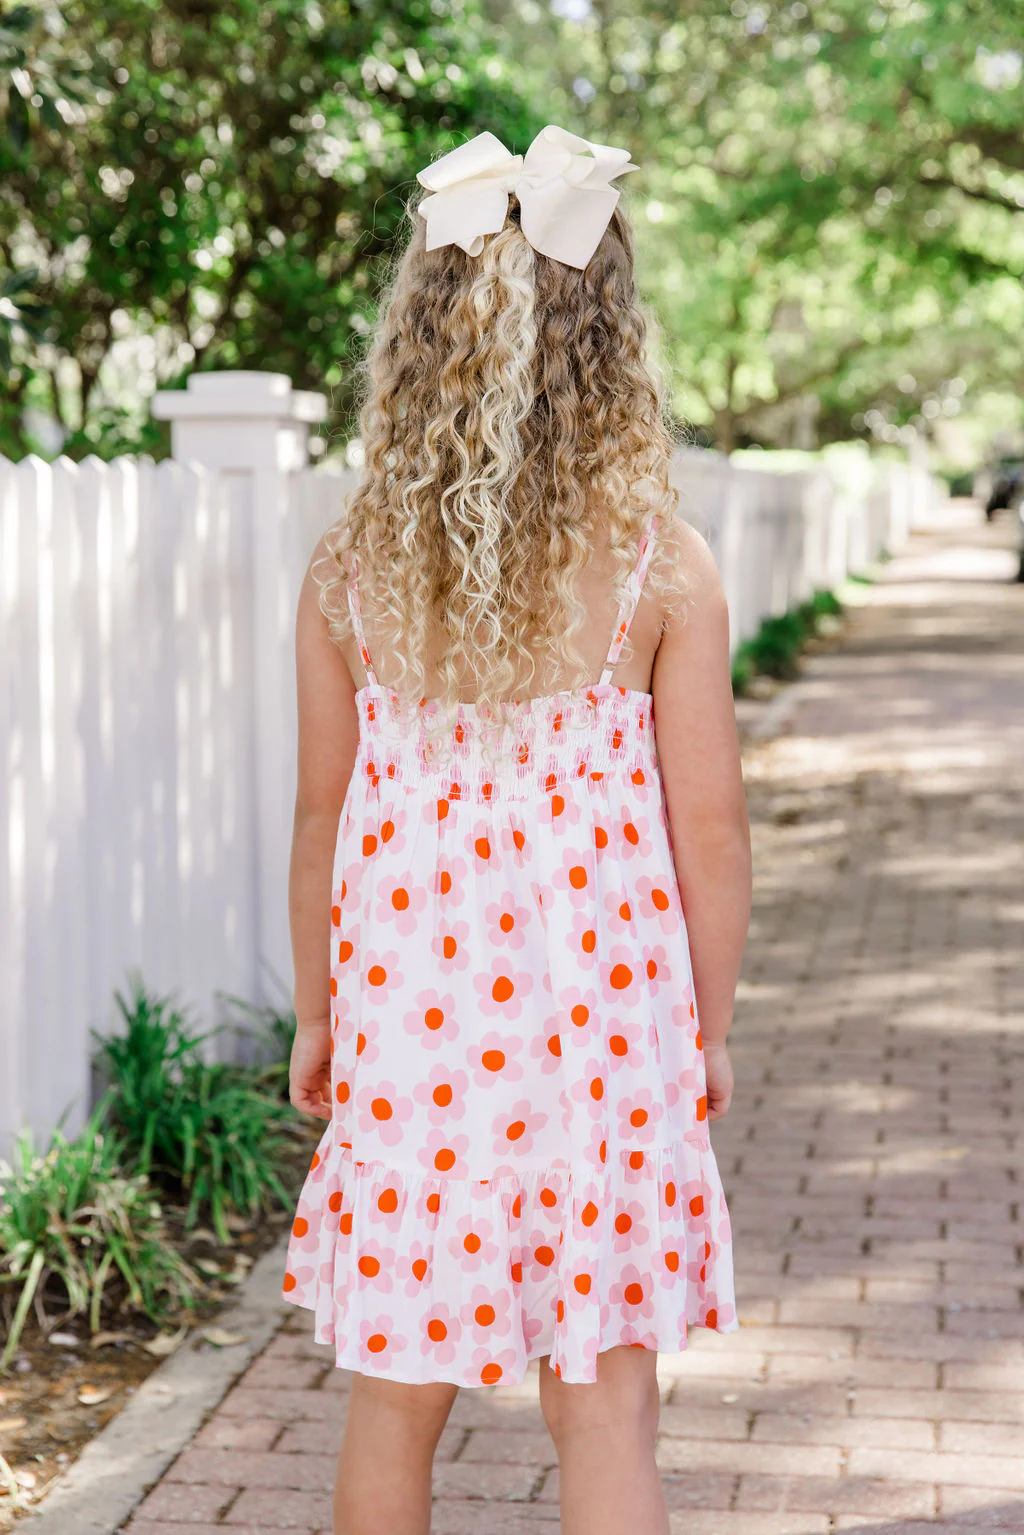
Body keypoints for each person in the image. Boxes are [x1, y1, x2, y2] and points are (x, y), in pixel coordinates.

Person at [282, 125, 751, 1535]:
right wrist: (709, 1026)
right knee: (606, 1408)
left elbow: (321, 816)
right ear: (609, 343)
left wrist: (317, 1014)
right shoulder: (661, 564)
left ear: (419, 341)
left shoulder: (350, 570)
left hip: (413, 1028)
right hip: (605, 1034)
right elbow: (711, 825)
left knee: (393, 1396)